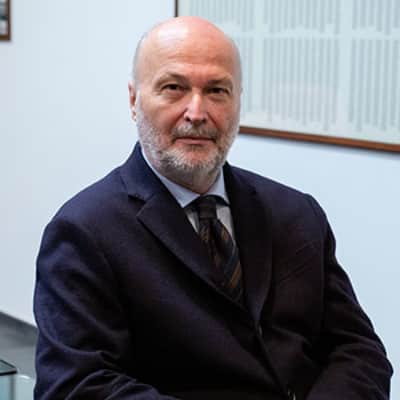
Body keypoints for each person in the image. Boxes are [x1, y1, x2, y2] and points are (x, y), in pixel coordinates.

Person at [34, 16, 392, 400]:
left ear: (238, 101)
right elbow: (77, 386)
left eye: (217, 91)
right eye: (174, 88)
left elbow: (358, 349)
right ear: (134, 100)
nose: (196, 112)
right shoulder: (84, 232)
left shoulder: (296, 213)